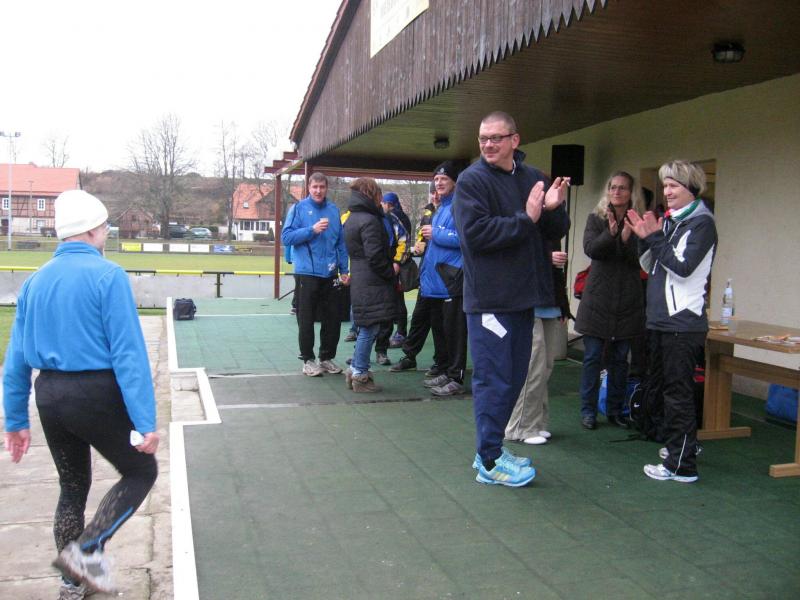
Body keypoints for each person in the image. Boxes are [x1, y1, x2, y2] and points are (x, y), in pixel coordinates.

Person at [3, 190, 160, 598]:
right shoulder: (108, 276)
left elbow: (16, 359)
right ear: (92, 230)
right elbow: (128, 354)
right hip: (93, 393)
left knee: (72, 487)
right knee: (141, 471)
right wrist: (145, 421)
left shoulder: (34, 282)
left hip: (49, 395)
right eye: (105, 227)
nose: (106, 234)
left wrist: (15, 419)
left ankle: (72, 585)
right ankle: (85, 552)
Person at [454, 111, 569, 487]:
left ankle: (491, 450)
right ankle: (489, 461)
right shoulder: (472, 181)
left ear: (514, 140)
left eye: (496, 138)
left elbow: (552, 230)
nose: (488, 144)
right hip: (490, 302)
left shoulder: (533, 178)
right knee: (495, 380)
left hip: (524, 299)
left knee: (515, 378)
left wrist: (553, 208)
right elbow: (475, 235)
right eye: (483, 138)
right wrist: (527, 216)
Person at [627, 160, 717, 483]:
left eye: (673, 185)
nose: (667, 191)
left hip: (683, 323)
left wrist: (655, 237)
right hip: (660, 321)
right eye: (665, 185)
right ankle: (679, 448)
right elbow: (649, 264)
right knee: (666, 392)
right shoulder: (671, 221)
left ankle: (682, 466)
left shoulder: (702, 224)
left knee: (678, 394)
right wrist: (644, 237)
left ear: (691, 188)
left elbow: (683, 267)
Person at [575, 171, 646, 430]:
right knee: (593, 358)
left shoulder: (639, 221)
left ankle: (615, 410)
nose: (617, 192)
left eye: (622, 188)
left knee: (620, 359)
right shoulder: (596, 218)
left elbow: (641, 260)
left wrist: (626, 239)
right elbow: (591, 250)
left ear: (631, 192)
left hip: (627, 300)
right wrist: (611, 234)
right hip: (598, 300)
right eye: (613, 187)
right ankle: (588, 411)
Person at [281, 172, 350, 376]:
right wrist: (311, 230)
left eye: (322, 187)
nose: (318, 191)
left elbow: (340, 243)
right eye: (315, 187)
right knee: (306, 318)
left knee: (333, 318)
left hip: (330, 274)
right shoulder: (298, 209)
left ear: (326, 188)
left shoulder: (333, 210)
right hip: (307, 273)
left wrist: (344, 270)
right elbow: (286, 237)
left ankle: (326, 358)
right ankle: (308, 360)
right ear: (309, 188)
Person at [505, 246, 570, 445]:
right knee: (533, 366)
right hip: (526, 301)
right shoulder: (523, 225)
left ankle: (536, 422)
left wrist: (563, 304)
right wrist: (546, 257)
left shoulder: (552, 228)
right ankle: (519, 427)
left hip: (549, 299)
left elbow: (556, 269)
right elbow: (512, 256)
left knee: (545, 366)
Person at [343, 178, 398, 392]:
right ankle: (360, 374)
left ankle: (355, 370)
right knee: (369, 328)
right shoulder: (370, 220)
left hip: (360, 277)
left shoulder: (352, 218)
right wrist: (390, 272)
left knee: (366, 327)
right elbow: (374, 255)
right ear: (372, 194)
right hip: (372, 280)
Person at [418, 161, 469, 396]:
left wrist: (436, 233)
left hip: (452, 280)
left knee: (455, 332)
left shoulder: (460, 205)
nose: (438, 183)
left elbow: (465, 238)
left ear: (455, 182)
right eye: (436, 179)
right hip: (437, 283)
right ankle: (446, 370)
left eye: (444, 179)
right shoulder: (442, 207)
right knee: (441, 331)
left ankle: (456, 377)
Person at [390, 182, 448, 375]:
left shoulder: (452, 212)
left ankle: (441, 363)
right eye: (432, 192)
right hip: (427, 274)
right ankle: (409, 357)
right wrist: (419, 246)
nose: (435, 196)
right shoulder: (427, 213)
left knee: (439, 323)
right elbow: (422, 240)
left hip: (444, 276)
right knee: (419, 318)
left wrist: (435, 238)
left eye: (438, 192)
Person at [373, 195, 409, 365]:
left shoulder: (391, 218)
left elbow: (404, 239)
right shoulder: (359, 217)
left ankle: (382, 350)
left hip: (389, 271)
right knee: (366, 314)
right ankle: (361, 353)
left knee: (388, 311)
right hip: (368, 273)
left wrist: (397, 262)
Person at [380, 192, 411, 349]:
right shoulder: (400, 216)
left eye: (383, 203)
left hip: (396, 265)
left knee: (397, 300)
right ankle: (398, 332)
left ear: (388, 204)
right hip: (395, 263)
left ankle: (400, 333)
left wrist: (397, 262)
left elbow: (403, 241)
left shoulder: (394, 217)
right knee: (396, 299)